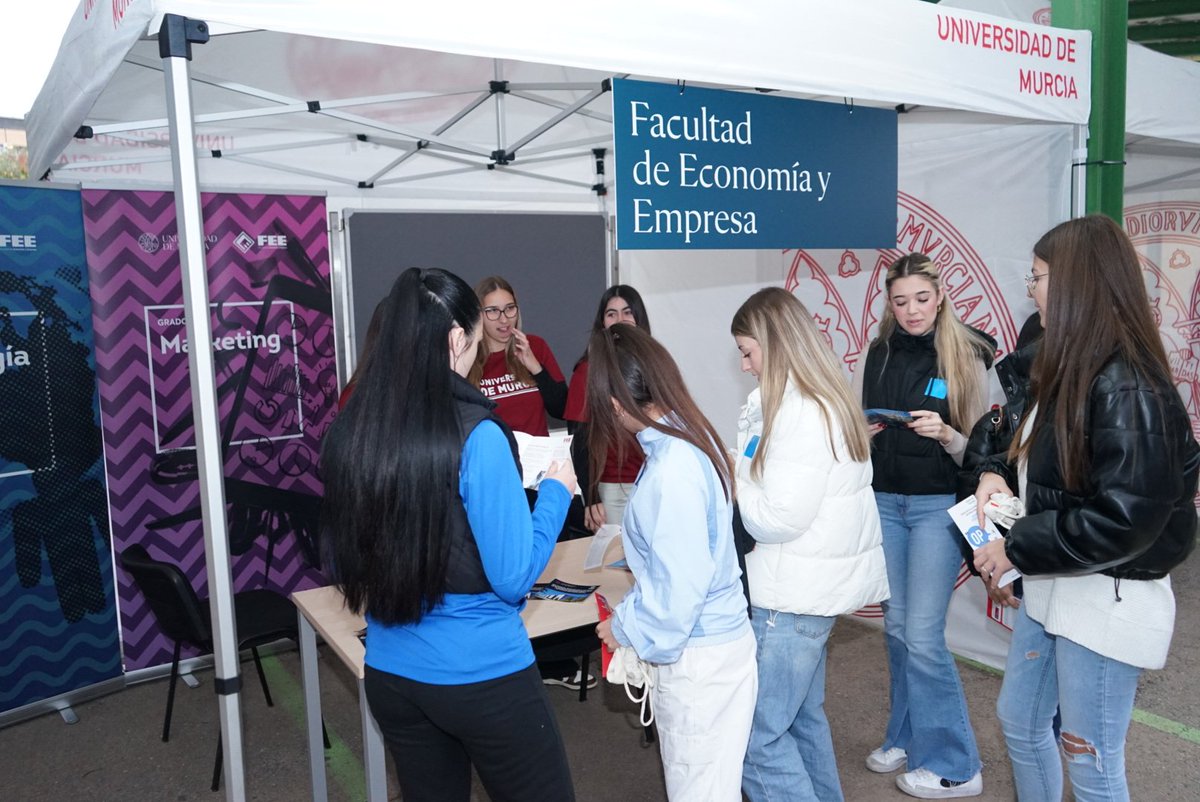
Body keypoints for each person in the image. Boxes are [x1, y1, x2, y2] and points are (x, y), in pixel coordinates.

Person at [319, 267, 578, 802]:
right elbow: (512, 579)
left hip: (392, 673)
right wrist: (555, 494)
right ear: (458, 339)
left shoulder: (354, 429)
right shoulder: (477, 433)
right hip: (482, 674)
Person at [971, 215, 1199, 802]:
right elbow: (1024, 445)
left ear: (1078, 284)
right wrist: (995, 469)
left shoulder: (1126, 384)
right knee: (1021, 724)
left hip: (1104, 597)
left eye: (1040, 276)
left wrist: (1016, 546)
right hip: (1057, 585)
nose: (1031, 288)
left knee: (1092, 762)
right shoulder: (1066, 365)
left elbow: (1126, 517)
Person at [732, 288, 889, 802]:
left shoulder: (799, 412)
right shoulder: (821, 402)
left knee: (755, 740)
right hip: (807, 595)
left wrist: (737, 472)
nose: (745, 363)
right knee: (801, 722)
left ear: (774, 345)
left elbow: (776, 517)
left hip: (789, 599)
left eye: (748, 351)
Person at [589, 323, 756, 801]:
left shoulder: (672, 470)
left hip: (700, 660)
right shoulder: (686, 437)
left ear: (617, 401)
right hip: (712, 649)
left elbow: (677, 595)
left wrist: (623, 627)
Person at [852, 253, 993, 798]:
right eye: (900, 300)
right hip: (885, 502)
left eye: (921, 298)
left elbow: (985, 455)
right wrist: (861, 436)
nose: (911, 310)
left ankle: (957, 761)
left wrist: (948, 435)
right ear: (889, 302)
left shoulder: (969, 352)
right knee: (897, 631)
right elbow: (862, 423)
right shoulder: (879, 352)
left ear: (940, 297)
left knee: (923, 637)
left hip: (938, 506)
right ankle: (906, 736)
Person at [563, 284, 651, 531]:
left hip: (656, 479)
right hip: (614, 489)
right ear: (602, 322)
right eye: (611, 314)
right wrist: (592, 498)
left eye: (627, 312)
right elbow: (580, 442)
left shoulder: (654, 363)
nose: (620, 319)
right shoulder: (587, 371)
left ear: (638, 318)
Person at [469, 275, 567, 436]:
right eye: (493, 311)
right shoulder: (468, 358)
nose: (504, 319)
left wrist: (536, 368)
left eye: (509, 308)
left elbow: (562, 409)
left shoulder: (535, 346)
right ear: (479, 315)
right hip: (495, 457)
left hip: (537, 458)